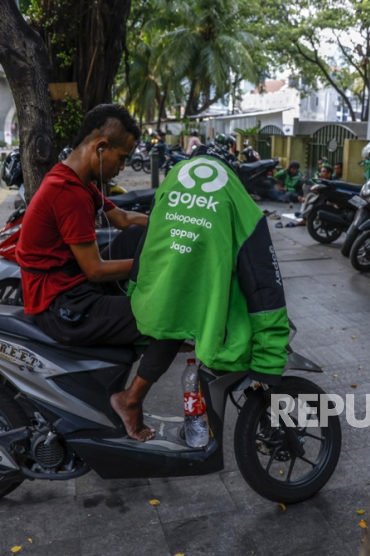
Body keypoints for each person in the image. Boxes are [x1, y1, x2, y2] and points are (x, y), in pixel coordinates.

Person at [16, 104, 180, 442]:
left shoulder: (76, 178)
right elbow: (94, 269)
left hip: (69, 286)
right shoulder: (68, 193)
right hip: (62, 305)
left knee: (136, 237)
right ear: (100, 147)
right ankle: (129, 399)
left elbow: (124, 220)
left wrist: (176, 229)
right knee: (173, 315)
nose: (121, 168)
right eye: (121, 158)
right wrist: (155, 268)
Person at [120, 144, 290, 441]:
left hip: (159, 300)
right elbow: (264, 282)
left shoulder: (171, 181)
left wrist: (136, 296)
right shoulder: (240, 201)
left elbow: (146, 249)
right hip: (207, 311)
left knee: (169, 327)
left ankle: (136, 397)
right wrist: (268, 359)